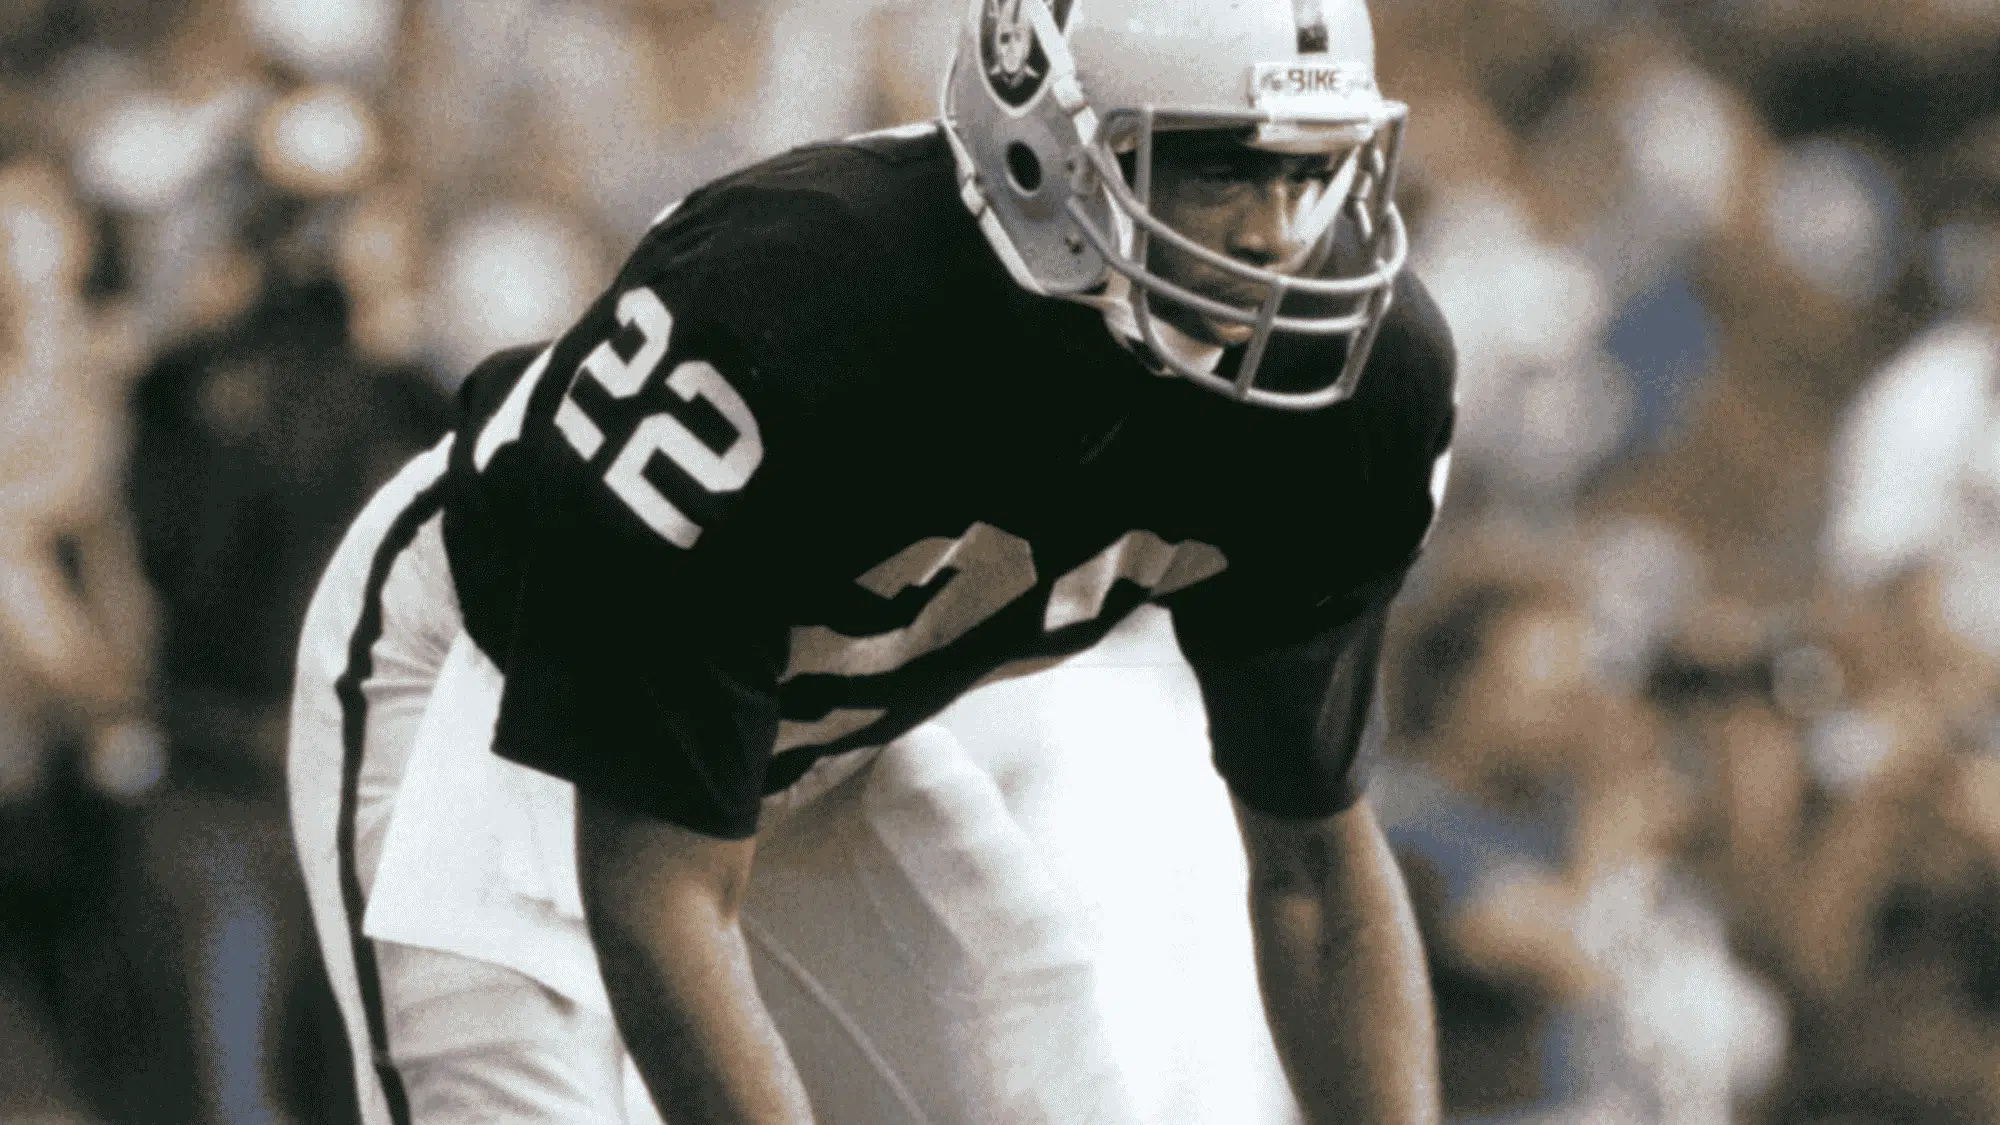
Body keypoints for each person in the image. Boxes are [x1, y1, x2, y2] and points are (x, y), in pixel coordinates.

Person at [288, 0, 1457, 1123]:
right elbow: (658, 894)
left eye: (1306, 169)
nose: (1270, 232)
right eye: (1214, 166)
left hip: (808, 742)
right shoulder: (791, 304)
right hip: (498, 686)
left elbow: (1313, 870)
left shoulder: (1353, 387)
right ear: (1044, 145)